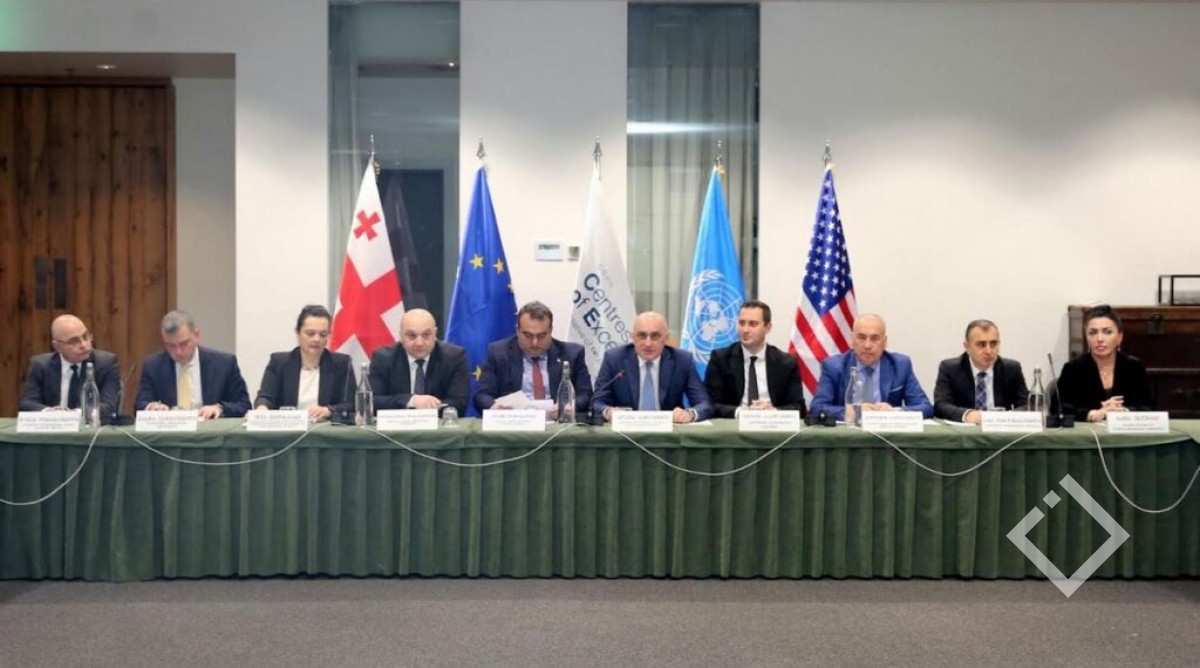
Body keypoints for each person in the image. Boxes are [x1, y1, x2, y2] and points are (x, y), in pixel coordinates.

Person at [474, 301, 593, 416]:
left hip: (557, 422)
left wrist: (567, 406)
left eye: (541, 336)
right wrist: (495, 406)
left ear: (550, 331)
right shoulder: (498, 353)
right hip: (515, 423)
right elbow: (482, 395)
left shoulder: (572, 354)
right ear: (517, 330)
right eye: (527, 335)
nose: (535, 342)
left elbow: (586, 395)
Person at [591, 311, 712, 424]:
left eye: (655, 336)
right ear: (633, 337)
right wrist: (608, 412)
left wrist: (690, 414)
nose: (648, 343)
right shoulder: (614, 359)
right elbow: (596, 402)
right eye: (642, 335)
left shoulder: (682, 360)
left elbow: (704, 403)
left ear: (666, 338)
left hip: (668, 433)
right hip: (626, 432)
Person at [809, 313, 934, 420]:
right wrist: (851, 412)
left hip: (887, 435)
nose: (867, 345)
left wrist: (895, 412)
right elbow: (817, 408)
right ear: (852, 339)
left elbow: (926, 408)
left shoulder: (901, 365)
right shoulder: (833, 366)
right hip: (848, 434)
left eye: (874, 338)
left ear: (884, 342)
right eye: (861, 338)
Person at [135, 310, 251, 419]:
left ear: (196, 335)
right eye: (171, 346)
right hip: (170, 431)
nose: (178, 352)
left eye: (184, 344)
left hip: (211, 430)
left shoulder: (224, 364)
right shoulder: (153, 366)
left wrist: (219, 408)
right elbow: (140, 405)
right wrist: (151, 407)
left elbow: (244, 405)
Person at [703, 300, 805, 418]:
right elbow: (710, 403)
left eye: (752, 324)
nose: (745, 330)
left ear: (768, 327)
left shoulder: (786, 363)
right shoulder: (721, 359)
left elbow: (799, 407)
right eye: (741, 323)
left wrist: (774, 411)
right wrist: (741, 412)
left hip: (772, 425)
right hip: (735, 424)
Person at [254, 305, 355, 422]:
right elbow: (265, 396)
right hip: (287, 428)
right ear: (298, 334)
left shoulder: (342, 363)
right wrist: (262, 408)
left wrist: (329, 410)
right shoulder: (279, 362)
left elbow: (352, 404)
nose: (316, 339)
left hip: (324, 429)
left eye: (323, 334)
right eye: (310, 333)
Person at [1056, 304, 1153, 422]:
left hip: (1125, 431)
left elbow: (1150, 407)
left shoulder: (1134, 367)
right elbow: (1058, 409)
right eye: (1092, 333)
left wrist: (1124, 412)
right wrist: (1093, 414)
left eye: (1107, 332)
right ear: (1086, 337)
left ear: (1119, 337)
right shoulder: (1073, 369)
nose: (1099, 339)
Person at [19, 314, 122, 423]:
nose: (84, 345)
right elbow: (27, 404)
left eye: (86, 336)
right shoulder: (41, 365)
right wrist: (51, 413)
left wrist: (72, 415)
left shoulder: (106, 363)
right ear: (57, 347)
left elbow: (108, 407)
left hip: (88, 431)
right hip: (52, 429)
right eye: (74, 341)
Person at [368, 308, 469, 415]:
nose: (419, 343)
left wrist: (427, 409)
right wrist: (411, 401)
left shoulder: (454, 358)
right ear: (401, 336)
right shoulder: (383, 359)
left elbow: (459, 404)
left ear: (435, 334)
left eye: (426, 335)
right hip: (397, 424)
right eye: (412, 336)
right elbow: (372, 401)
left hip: (437, 424)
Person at [933, 319, 1030, 423]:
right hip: (965, 431)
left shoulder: (1011, 369)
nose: (988, 351)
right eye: (981, 344)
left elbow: (1027, 405)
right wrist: (967, 415)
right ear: (967, 347)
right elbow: (941, 405)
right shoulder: (950, 369)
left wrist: (1004, 417)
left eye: (993, 344)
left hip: (1000, 429)